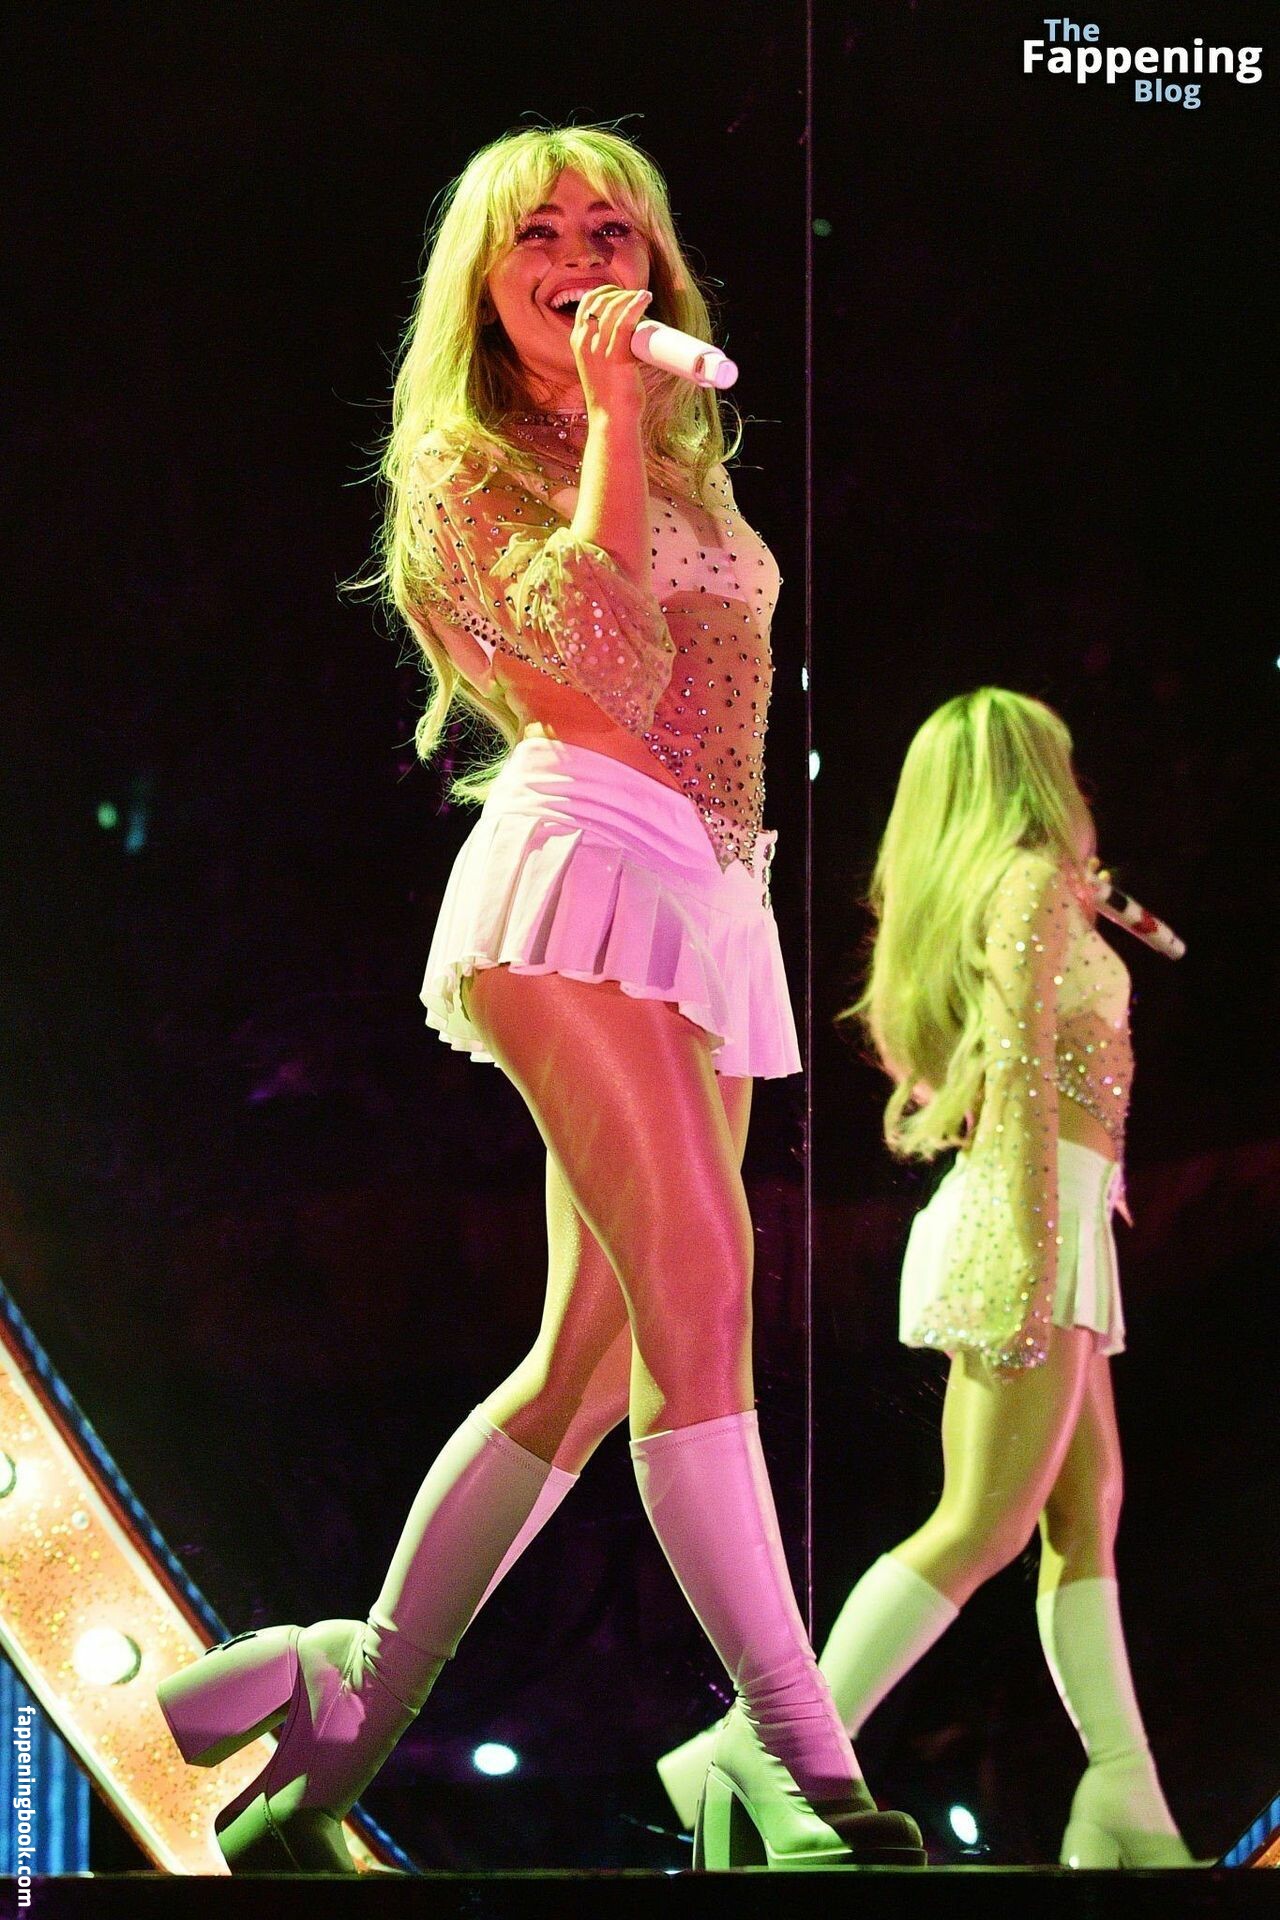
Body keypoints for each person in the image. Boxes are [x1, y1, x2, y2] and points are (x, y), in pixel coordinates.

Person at [155, 123, 923, 1874]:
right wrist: (616, 432)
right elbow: (604, 658)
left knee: (587, 1367)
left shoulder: (681, 447)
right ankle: (796, 1756)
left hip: (713, 897)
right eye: (542, 237)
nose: (583, 259)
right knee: (704, 1292)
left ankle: (342, 1709)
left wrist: (639, 428)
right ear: (487, 283)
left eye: (613, 230)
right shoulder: (466, 463)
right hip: (579, 873)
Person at [659, 688, 1196, 1868]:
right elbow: (1021, 1083)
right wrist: (1032, 1254)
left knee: (1082, 1517)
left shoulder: (1031, 892)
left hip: (1051, 1217)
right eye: (1064, 768)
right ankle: (763, 1748)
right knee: (981, 1522)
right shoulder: (1024, 886)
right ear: (1033, 777)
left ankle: (1123, 1795)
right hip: (1026, 1218)